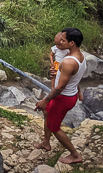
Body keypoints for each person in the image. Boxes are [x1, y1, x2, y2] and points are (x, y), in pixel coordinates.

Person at [35, 28, 87, 164]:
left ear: (72, 43)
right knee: (47, 113)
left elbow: (60, 88)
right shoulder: (81, 56)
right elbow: (73, 78)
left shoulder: (69, 62)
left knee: (54, 127)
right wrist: (57, 72)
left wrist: (45, 100)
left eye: (63, 40)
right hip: (69, 95)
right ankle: (46, 142)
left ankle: (75, 155)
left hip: (63, 98)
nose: (60, 42)